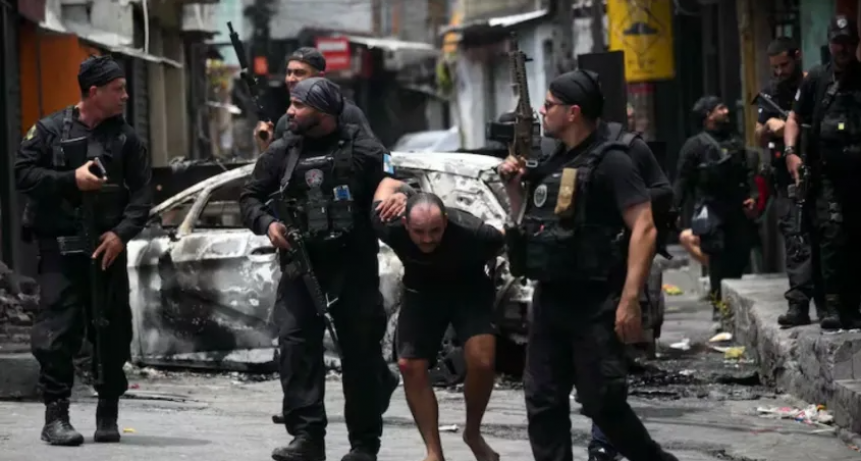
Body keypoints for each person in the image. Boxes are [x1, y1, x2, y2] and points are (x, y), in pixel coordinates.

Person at [499, 69, 678, 461]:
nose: (543, 113)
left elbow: (644, 227)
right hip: (551, 298)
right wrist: (514, 189)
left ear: (573, 112)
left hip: (596, 301)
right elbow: (532, 224)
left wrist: (630, 300)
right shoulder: (553, 161)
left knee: (603, 404)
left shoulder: (612, 160)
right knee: (543, 401)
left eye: (549, 106)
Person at [239, 77, 406, 461]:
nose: (289, 112)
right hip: (302, 267)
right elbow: (249, 196)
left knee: (361, 357)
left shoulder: (364, 148)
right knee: (296, 349)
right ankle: (307, 438)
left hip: (353, 268)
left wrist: (392, 194)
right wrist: (269, 225)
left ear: (323, 111)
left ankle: (364, 444)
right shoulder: (283, 151)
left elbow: (392, 180)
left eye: (298, 105)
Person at [14, 55, 152, 446]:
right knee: (57, 331)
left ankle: (107, 411)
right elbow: (22, 174)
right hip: (60, 249)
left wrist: (121, 234)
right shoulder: (49, 130)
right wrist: (69, 179)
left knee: (112, 330)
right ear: (94, 92)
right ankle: (55, 416)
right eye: (117, 89)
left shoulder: (126, 139)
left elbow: (142, 195)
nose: (125, 96)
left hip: (107, 248)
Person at [371, 191, 503, 461]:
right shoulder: (388, 223)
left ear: (445, 221)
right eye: (419, 232)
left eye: (435, 230)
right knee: (409, 365)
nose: (428, 239)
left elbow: (508, 239)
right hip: (422, 291)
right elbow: (385, 176)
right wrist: (402, 191)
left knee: (482, 361)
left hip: (469, 290)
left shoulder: (475, 232)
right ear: (406, 224)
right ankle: (434, 452)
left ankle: (473, 434)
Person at [586, 120, 673, 461]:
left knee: (607, 362)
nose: (545, 113)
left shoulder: (626, 147)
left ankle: (603, 442)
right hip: (570, 281)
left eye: (551, 106)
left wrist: (621, 197)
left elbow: (663, 193)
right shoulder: (560, 153)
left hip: (616, 271)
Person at [784, 15, 861, 330]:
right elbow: (792, 118)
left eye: (848, 42)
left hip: (857, 176)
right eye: (837, 42)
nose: (842, 48)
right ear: (829, 44)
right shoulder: (816, 78)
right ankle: (830, 306)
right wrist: (790, 154)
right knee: (831, 236)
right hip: (826, 174)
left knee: (855, 238)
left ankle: (851, 307)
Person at [754, 37, 825, 327]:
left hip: (820, 174)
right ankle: (798, 304)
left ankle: (829, 304)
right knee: (795, 239)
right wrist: (771, 128)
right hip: (787, 178)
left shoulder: (814, 85)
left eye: (784, 65)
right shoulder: (771, 93)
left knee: (825, 238)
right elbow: (757, 135)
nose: (780, 71)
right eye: (775, 67)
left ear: (797, 56)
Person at [673, 96, 758, 315]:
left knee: (739, 257)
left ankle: (733, 308)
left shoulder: (734, 141)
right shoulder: (694, 146)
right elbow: (682, 181)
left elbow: (748, 173)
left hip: (736, 211)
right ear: (708, 115)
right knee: (718, 262)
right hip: (711, 212)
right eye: (721, 108)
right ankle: (719, 309)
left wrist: (753, 196)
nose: (727, 111)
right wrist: (674, 211)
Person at [254, 47, 374, 151]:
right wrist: (266, 146)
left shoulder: (347, 113)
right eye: (289, 73)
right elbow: (274, 171)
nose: (291, 79)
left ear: (319, 77)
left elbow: (378, 157)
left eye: (299, 73)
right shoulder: (286, 122)